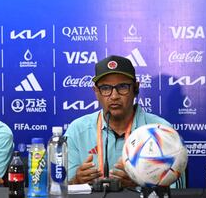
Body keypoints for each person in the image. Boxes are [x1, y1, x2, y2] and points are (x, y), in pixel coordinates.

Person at [64, 55, 186, 188]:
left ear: (135, 88)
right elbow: (59, 187)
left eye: (122, 87)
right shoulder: (77, 130)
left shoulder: (162, 132)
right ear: (96, 92)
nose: (114, 96)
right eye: (105, 88)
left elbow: (176, 191)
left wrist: (138, 185)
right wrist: (76, 181)